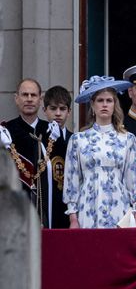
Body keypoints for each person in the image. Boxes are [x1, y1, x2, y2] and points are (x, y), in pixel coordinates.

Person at [63, 76, 136, 229]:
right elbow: (71, 180)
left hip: (120, 207)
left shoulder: (127, 139)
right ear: (92, 105)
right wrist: (73, 217)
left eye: (109, 100)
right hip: (87, 206)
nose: (104, 104)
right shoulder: (78, 139)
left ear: (114, 105)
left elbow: (133, 178)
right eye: (100, 100)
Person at [2, 78, 64, 228]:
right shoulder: (5, 132)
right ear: (16, 98)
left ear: (40, 99)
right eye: (25, 95)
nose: (29, 99)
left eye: (33, 95)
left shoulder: (52, 132)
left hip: (50, 217)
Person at [41, 85, 73, 228]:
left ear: (69, 112)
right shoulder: (38, 140)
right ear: (45, 110)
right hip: (47, 203)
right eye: (53, 109)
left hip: (70, 206)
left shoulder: (75, 139)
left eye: (62, 109)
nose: (58, 113)